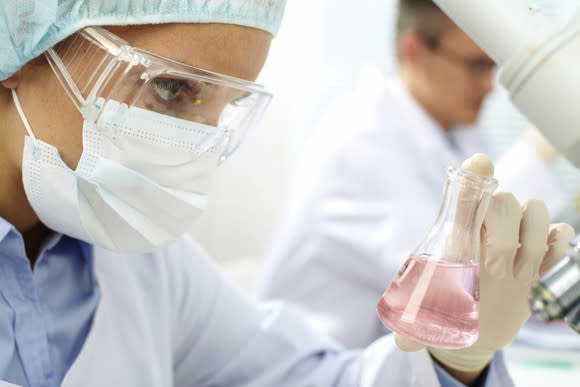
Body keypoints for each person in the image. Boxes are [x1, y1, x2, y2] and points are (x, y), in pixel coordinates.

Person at [0, 1, 573, 386]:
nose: (193, 145)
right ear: (18, 49)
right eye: (171, 88)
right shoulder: (364, 138)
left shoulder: (147, 264)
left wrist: (452, 361)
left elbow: (315, 379)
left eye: (225, 108)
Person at [257, 0, 565, 350]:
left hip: (386, 358)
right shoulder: (362, 139)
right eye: (476, 65)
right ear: (414, 50)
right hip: (314, 364)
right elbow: (450, 273)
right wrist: (541, 145)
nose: (489, 85)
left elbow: (492, 228)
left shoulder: (458, 133)